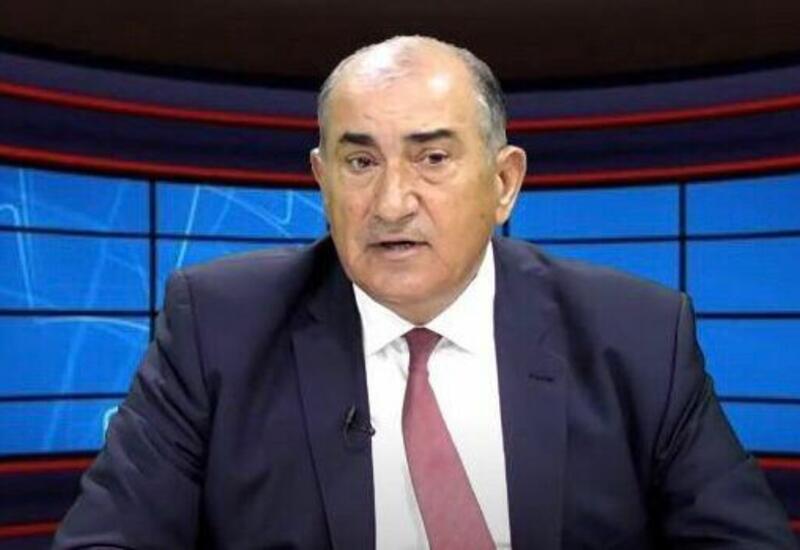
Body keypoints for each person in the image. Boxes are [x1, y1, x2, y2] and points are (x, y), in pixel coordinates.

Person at [55, 36, 796, 549]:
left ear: (503, 183)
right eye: (360, 163)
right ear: (320, 180)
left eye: (432, 158)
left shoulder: (637, 334)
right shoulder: (216, 326)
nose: (391, 203)